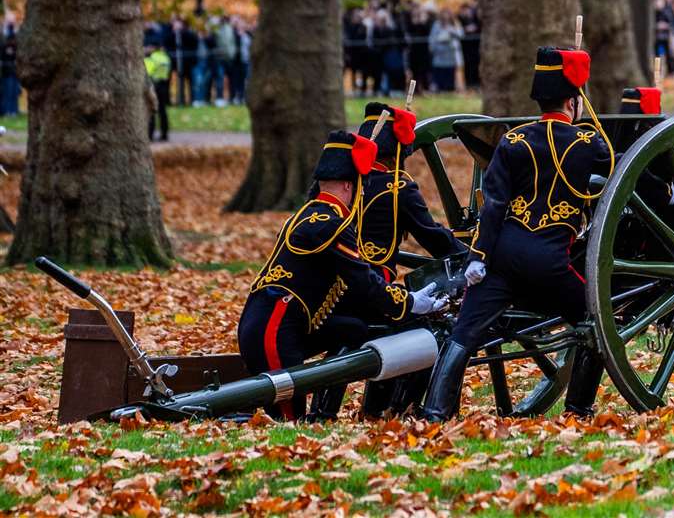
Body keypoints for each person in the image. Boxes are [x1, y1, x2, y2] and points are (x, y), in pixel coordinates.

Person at [420, 46, 615, 420]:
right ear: (573, 102)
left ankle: (435, 412)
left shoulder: (512, 141)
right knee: (596, 320)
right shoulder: (590, 144)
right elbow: (624, 174)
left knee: (464, 333)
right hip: (551, 262)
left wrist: (478, 258)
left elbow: (492, 207)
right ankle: (578, 409)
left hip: (504, 257)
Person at [237, 129, 446, 419]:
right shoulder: (331, 225)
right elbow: (364, 284)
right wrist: (410, 303)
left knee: (352, 329)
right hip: (274, 330)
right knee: (287, 424)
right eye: (361, 187)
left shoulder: (310, 212)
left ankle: (328, 409)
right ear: (349, 186)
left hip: (279, 323)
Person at [351, 102, 463, 416]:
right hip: (376, 292)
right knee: (433, 328)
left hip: (338, 289)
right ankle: (400, 407)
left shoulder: (346, 183)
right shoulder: (397, 187)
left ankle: (375, 408)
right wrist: (470, 256)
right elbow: (433, 237)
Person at [428, 10, 464, 93]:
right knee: (439, 74)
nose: (446, 17)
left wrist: (451, 31)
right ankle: (440, 89)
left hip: (451, 55)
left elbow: (460, 34)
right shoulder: (436, 25)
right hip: (439, 55)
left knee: (450, 74)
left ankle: (450, 89)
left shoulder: (455, 24)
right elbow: (433, 38)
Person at [144, 37, 171, 142]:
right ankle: (164, 134)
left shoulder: (151, 58)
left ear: (152, 47)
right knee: (163, 111)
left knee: (152, 110)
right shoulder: (165, 58)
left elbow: (147, 72)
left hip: (154, 86)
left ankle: (150, 135)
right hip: (164, 85)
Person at [457, 0, 481, 91]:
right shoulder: (459, 19)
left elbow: (479, 26)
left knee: (476, 65)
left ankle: (477, 83)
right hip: (465, 47)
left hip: (475, 46)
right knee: (467, 66)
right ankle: (468, 84)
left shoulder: (475, 18)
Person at [0, 12, 19, 118]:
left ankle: (13, 110)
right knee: (7, 89)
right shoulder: (3, 34)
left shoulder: (16, 34)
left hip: (15, 66)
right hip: (6, 68)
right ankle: (7, 110)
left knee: (14, 91)